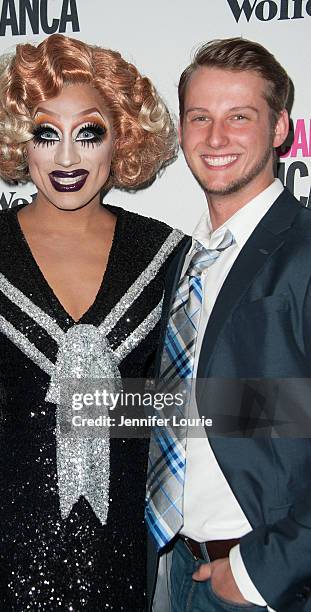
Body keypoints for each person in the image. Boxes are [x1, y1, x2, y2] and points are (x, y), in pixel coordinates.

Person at [0, 34, 183, 612]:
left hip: (125, 545)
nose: (66, 158)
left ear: (122, 137)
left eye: (89, 132)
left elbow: (175, 410)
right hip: (1, 544)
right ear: (17, 140)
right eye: (44, 133)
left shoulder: (168, 256)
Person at [146, 37, 311, 612]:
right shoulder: (180, 262)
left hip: (266, 585)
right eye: (200, 118)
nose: (216, 139)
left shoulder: (307, 251)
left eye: (239, 117)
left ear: (280, 128)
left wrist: (263, 571)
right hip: (175, 572)